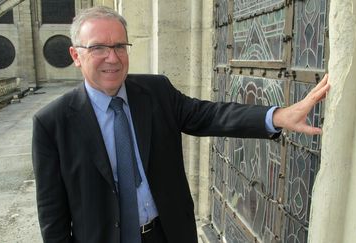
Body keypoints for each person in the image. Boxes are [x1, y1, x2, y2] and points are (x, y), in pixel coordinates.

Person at [32, 6, 330, 243]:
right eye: (98, 48)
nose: (113, 57)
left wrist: (277, 116)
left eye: (120, 46)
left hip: (169, 233)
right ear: (76, 55)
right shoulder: (52, 123)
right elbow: (52, 215)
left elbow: (209, 115)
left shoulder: (156, 92)